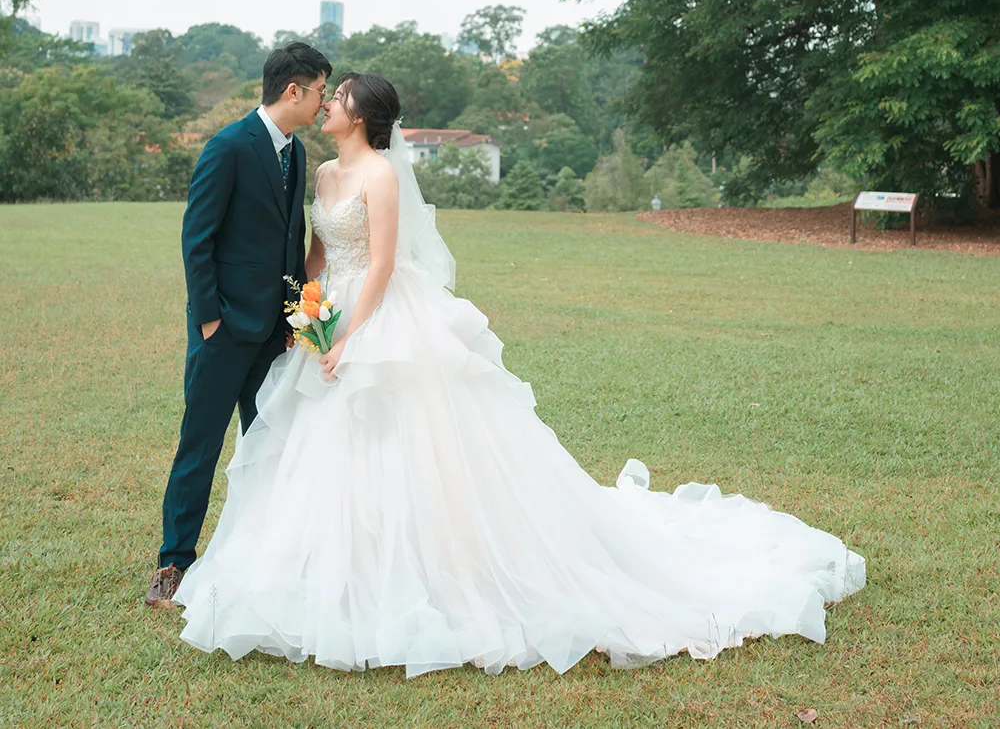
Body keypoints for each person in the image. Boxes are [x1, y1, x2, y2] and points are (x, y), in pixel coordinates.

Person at [174, 70, 865, 675]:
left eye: (340, 96)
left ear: (363, 115)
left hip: (382, 317)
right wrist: (310, 315)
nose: (329, 103)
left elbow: (381, 264)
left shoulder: (382, 176)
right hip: (330, 314)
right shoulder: (322, 173)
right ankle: (330, 571)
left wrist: (350, 336)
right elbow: (321, 253)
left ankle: (440, 571)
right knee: (319, 446)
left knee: (410, 438)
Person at [144, 40, 332, 608]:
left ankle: (257, 560)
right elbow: (195, 239)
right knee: (199, 446)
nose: (325, 103)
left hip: (274, 333)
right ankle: (173, 564)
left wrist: (299, 317)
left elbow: (289, 244)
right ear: (293, 90)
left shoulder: (296, 153)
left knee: (264, 447)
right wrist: (208, 323)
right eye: (321, 91)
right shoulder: (228, 147)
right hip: (223, 330)